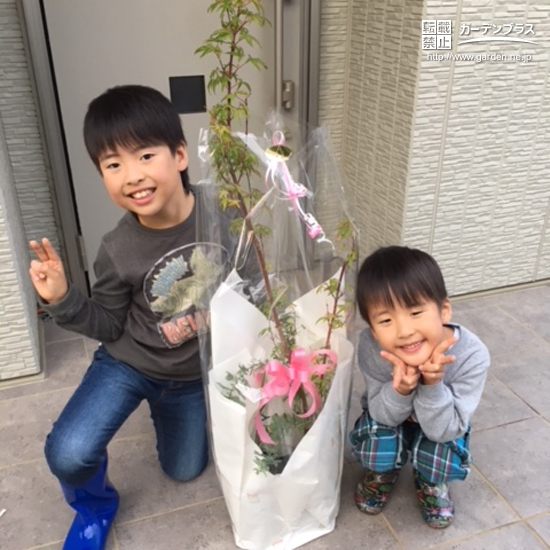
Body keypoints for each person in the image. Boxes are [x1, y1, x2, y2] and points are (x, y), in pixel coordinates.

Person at [28, 85, 226, 550]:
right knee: (68, 453)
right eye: (113, 165)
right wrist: (64, 300)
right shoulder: (117, 249)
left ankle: (168, 411)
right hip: (128, 364)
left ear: (180, 155)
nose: (131, 176)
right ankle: (95, 505)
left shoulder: (225, 212)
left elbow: (254, 288)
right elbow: (109, 324)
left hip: (188, 379)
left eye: (144, 155)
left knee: (184, 470)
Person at [349, 246, 490, 529]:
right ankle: (384, 472)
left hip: (442, 424)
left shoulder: (472, 355)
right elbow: (381, 414)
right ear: (374, 330)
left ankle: (430, 481)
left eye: (415, 312)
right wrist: (400, 390)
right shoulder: (373, 347)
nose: (404, 331)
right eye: (386, 320)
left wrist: (433, 385)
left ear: (443, 311)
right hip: (391, 419)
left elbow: (446, 430)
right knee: (373, 447)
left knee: (442, 458)